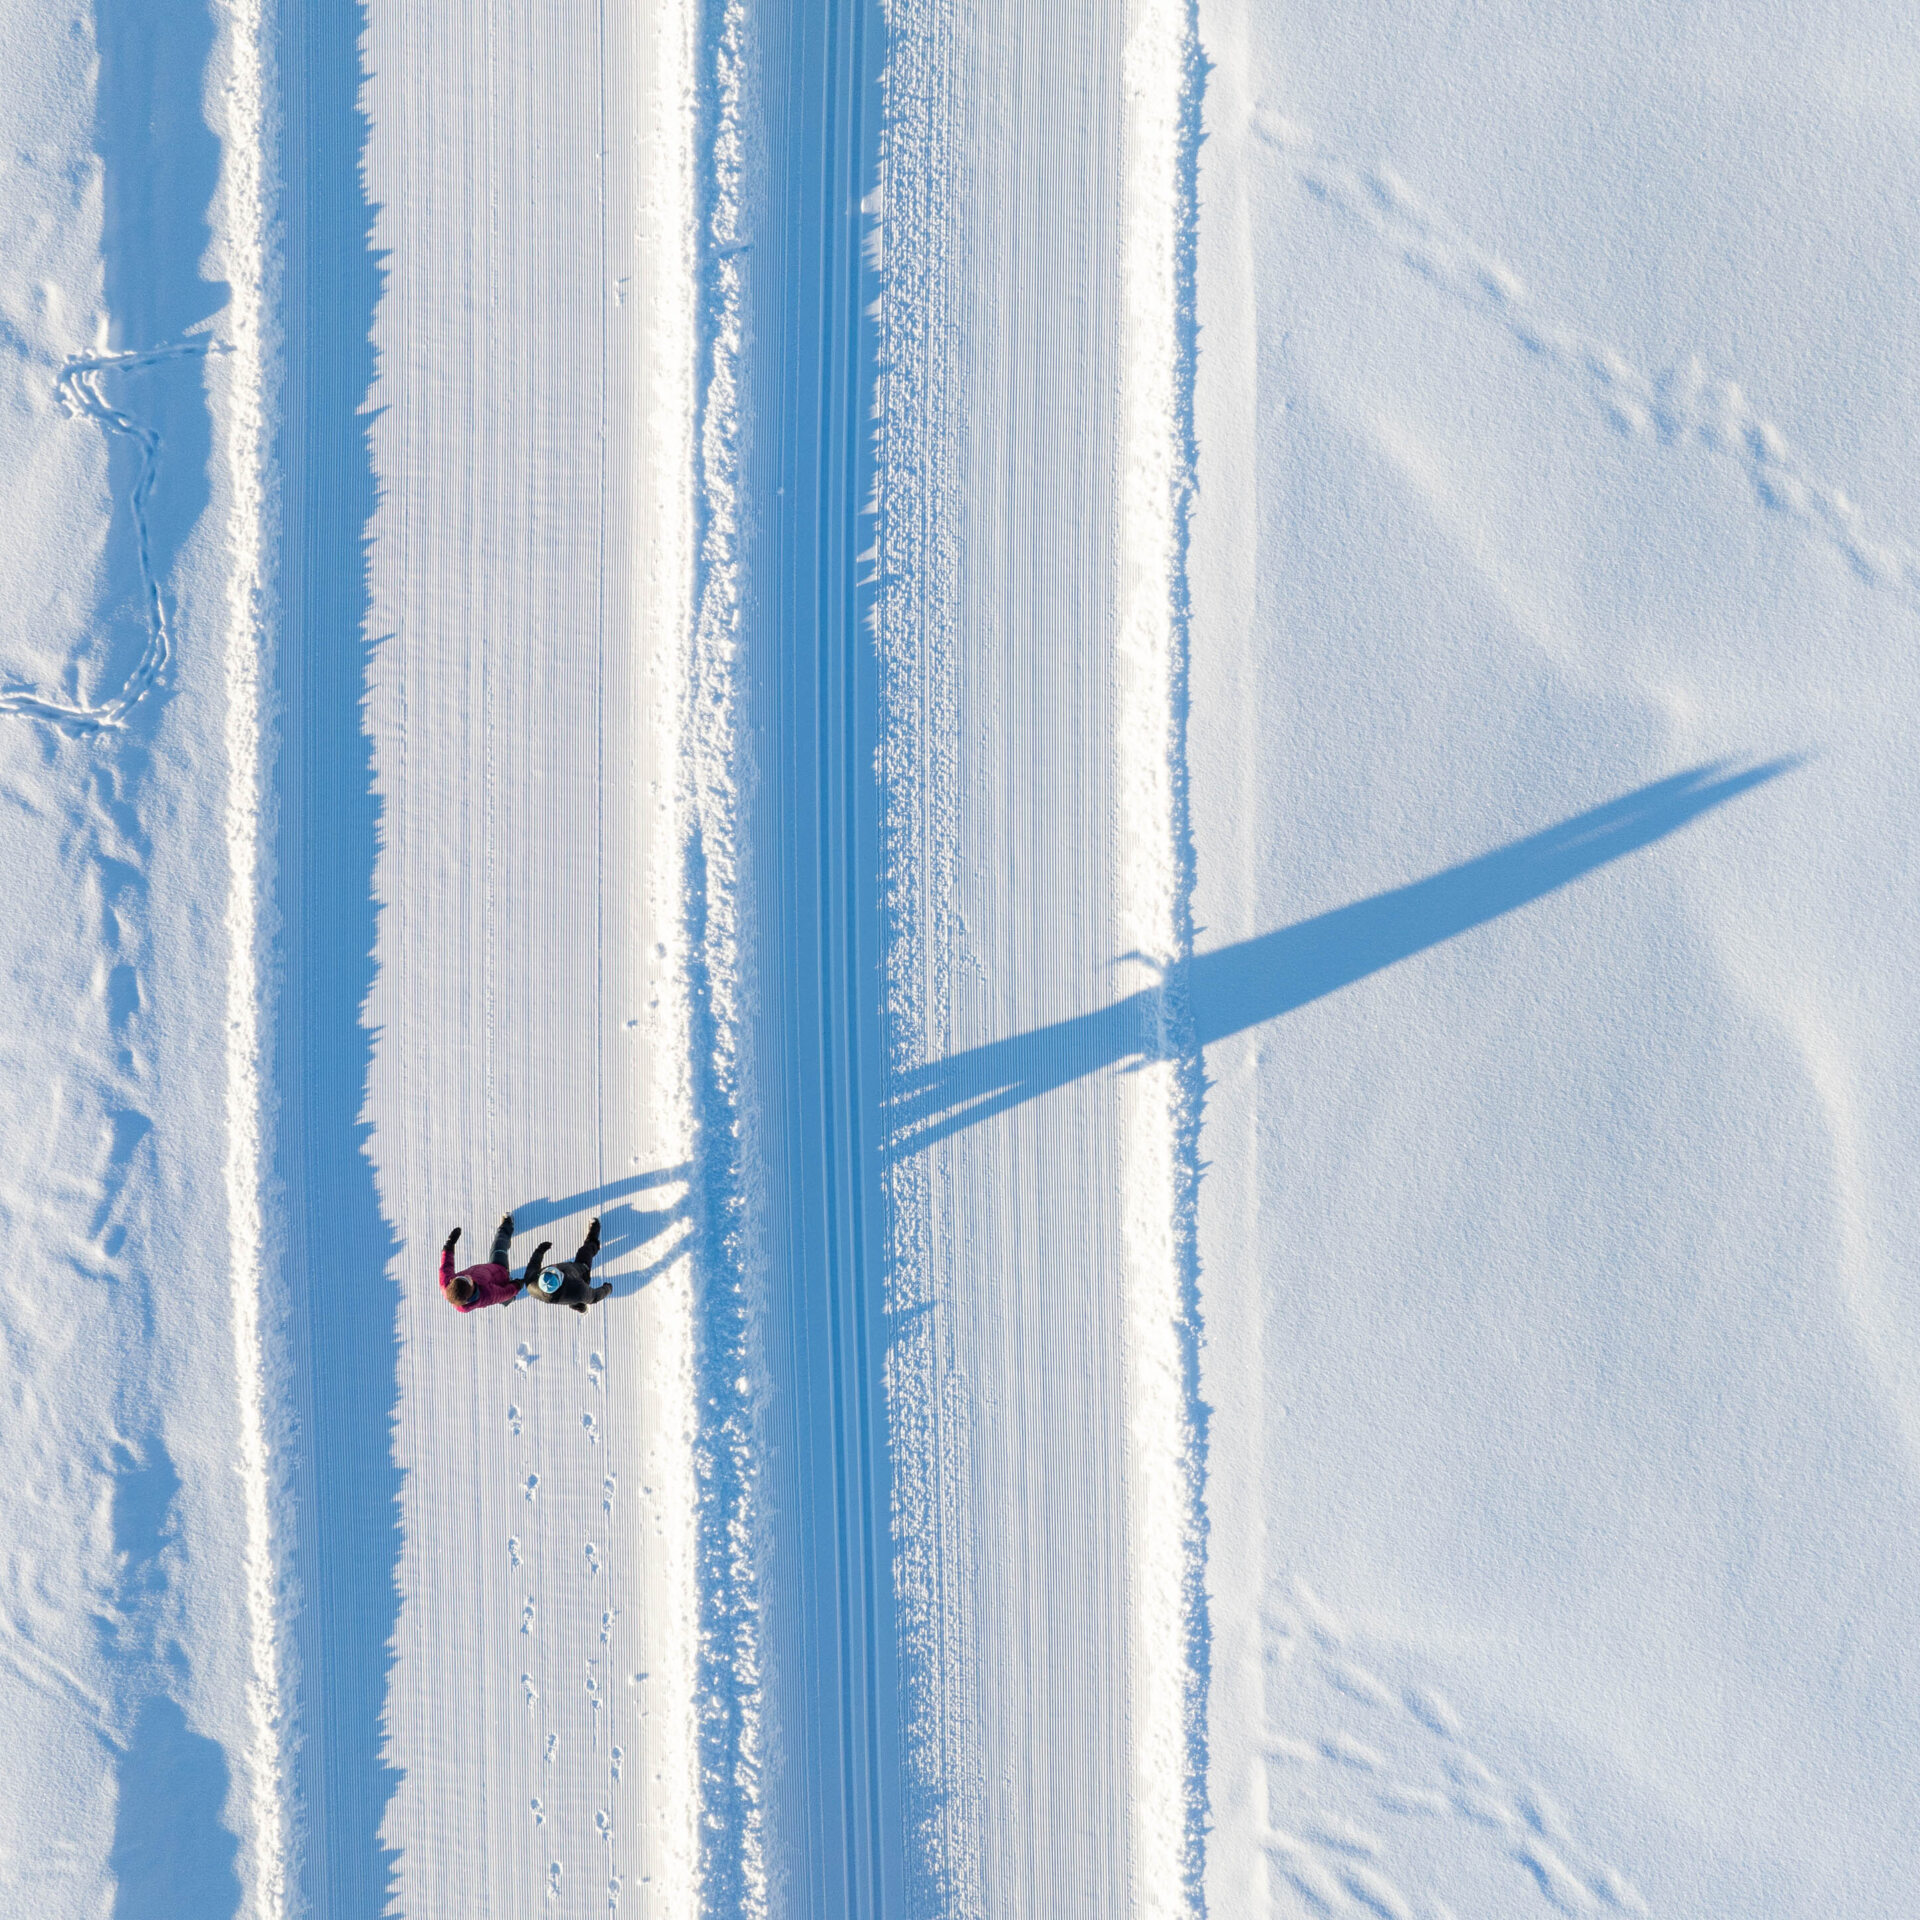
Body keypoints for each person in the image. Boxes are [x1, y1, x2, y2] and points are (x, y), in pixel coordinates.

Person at [440, 1214, 530, 1311]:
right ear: (472, 1290)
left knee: (505, 1297)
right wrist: (517, 1284)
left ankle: (509, 1298)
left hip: (487, 1269)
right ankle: (507, 1224)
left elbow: (446, 1265)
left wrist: (450, 1244)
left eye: (461, 1277)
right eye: (468, 1280)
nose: (467, 1276)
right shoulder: (487, 1295)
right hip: (499, 1271)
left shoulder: (447, 1285)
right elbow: (504, 1293)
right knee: (499, 1244)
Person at [524, 1216, 611, 1314]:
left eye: (549, 1271)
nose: (554, 1268)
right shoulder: (578, 1289)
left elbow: (533, 1264)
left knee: (574, 1301)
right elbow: (594, 1296)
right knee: (585, 1251)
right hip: (582, 1273)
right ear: (560, 1281)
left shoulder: (531, 1284)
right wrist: (607, 1288)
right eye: (557, 1274)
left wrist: (540, 1251)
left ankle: (580, 1307)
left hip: (570, 1292)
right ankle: (593, 1236)